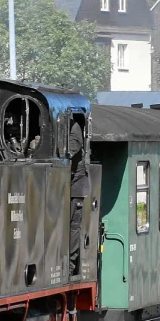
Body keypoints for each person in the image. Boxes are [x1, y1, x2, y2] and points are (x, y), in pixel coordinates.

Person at [68, 118, 89, 275]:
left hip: (75, 185)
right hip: (69, 182)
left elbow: (72, 148)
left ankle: (70, 263)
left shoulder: (73, 126)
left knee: (74, 226)